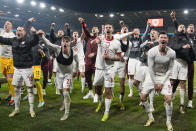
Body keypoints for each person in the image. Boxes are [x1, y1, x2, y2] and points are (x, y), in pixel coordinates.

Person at [0, 17, 41, 118]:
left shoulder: (27, 40)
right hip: (17, 69)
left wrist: (35, 33)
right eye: (17, 30)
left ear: (24, 32)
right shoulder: (13, 40)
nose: (18, 31)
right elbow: (1, 39)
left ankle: (31, 110)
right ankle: (16, 109)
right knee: (17, 89)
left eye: (20, 30)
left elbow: (35, 42)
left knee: (30, 89)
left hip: (27, 69)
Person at [92, 23, 132, 121]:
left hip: (109, 69)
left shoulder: (117, 43)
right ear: (104, 30)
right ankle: (101, 102)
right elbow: (96, 40)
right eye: (106, 27)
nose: (108, 29)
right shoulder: (101, 38)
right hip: (99, 68)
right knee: (97, 88)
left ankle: (106, 112)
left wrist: (110, 57)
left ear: (113, 29)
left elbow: (119, 57)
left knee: (108, 90)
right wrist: (95, 41)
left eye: (110, 27)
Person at [145, 31, 176, 131]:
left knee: (168, 99)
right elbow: (150, 68)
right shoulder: (152, 51)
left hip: (164, 77)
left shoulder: (172, 53)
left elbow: (170, 69)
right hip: (152, 76)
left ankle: (168, 121)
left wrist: (162, 83)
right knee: (142, 98)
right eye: (161, 37)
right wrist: (155, 84)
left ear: (167, 40)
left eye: (165, 38)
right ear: (158, 39)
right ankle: (150, 118)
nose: (163, 39)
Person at [170, 11, 196, 108]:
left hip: (190, 62)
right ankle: (172, 93)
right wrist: (174, 19)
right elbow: (178, 27)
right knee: (177, 79)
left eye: (192, 28)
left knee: (190, 81)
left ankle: (189, 100)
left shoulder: (194, 37)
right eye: (189, 28)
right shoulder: (184, 36)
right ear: (186, 30)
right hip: (181, 60)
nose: (191, 29)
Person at [127, 22, 150, 97]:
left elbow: (146, 33)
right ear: (133, 32)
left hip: (138, 60)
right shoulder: (130, 38)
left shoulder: (141, 38)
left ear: (139, 32)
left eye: (138, 31)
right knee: (130, 75)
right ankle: (131, 91)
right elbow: (125, 34)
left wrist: (148, 25)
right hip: (131, 59)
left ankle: (141, 90)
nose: (136, 32)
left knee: (139, 76)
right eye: (135, 31)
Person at [78, 17, 99, 101]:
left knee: (96, 79)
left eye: (95, 29)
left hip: (96, 61)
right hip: (87, 61)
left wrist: (94, 53)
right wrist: (83, 22)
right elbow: (85, 30)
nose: (93, 29)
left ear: (98, 31)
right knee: (88, 77)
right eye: (93, 29)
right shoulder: (89, 37)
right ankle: (90, 92)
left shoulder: (100, 39)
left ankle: (97, 94)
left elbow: (103, 50)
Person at [113, 22, 132, 110]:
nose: (124, 30)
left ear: (128, 31)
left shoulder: (130, 43)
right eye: (123, 29)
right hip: (113, 63)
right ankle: (109, 97)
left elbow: (127, 55)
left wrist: (123, 58)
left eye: (126, 29)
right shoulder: (116, 38)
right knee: (110, 82)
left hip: (121, 64)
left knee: (122, 83)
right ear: (120, 31)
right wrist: (117, 57)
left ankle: (121, 101)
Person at [0, 19, 16, 105]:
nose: (5, 25)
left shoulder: (12, 36)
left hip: (9, 59)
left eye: (8, 24)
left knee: (10, 79)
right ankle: (10, 93)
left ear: (11, 26)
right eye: (5, 24)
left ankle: (14, 98)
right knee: (7, 78)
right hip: (2, 59)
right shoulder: (2, 31)